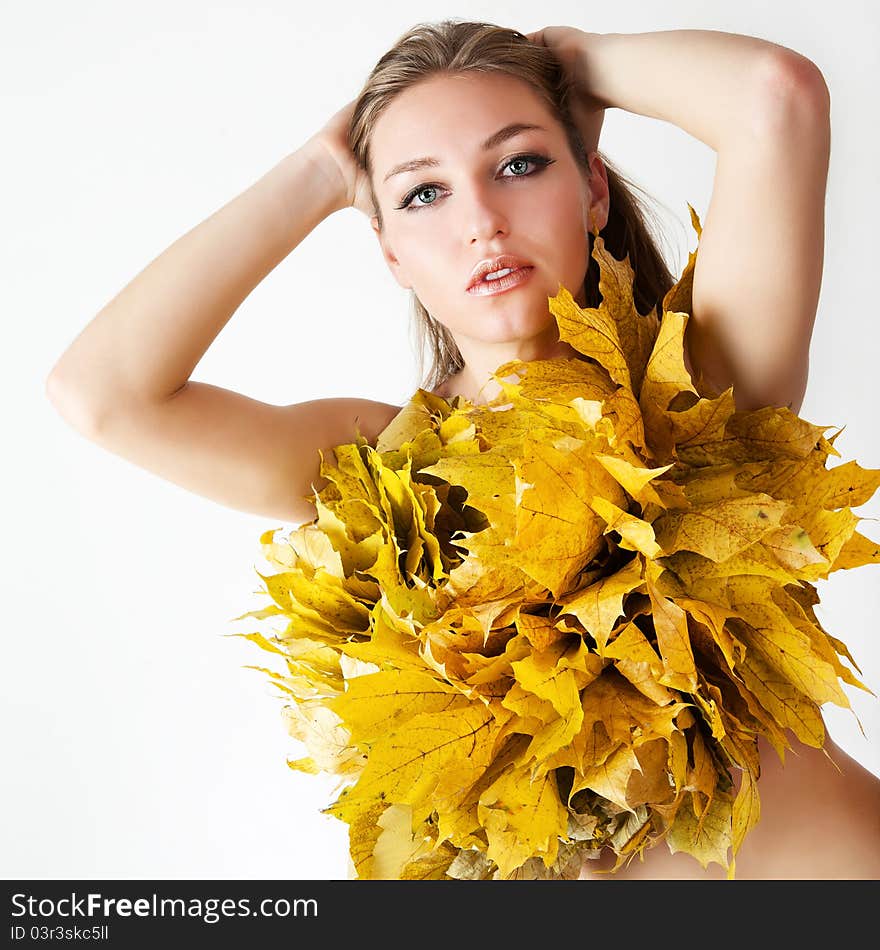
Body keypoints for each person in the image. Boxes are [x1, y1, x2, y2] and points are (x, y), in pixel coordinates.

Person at [45, 20, 880, 879]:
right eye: (422, 194)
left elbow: (776, 96)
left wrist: (571, 64)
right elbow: (102, 395)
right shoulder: (377, 470)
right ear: (390, 252)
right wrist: (324, 172)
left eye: (519, 165)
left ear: (592, 189)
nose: (481, 219)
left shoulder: (702, 375)